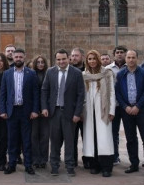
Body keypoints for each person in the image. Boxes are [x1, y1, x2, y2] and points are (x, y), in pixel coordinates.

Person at [41, 49, 84, 177]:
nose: (61, 62)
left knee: (70, 141)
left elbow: (80, 94)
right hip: (54, 112)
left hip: (70, 113)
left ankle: (70, 166)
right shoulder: (50, 72)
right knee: (54, 141)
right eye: (59, 59)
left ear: (68, 58)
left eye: (64, 59)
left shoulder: (76, 73)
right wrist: (44, 108)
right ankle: (54, 166)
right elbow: (44, 90)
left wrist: (77, 113)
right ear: (56, 60)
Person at [0, 48, 40, 175]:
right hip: (11, 111)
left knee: (26, 140)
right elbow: (3, 94)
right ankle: (11, 164)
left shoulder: (31, 73)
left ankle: (28, 165)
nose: (18, 59)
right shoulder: (7, 74)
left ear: (24, 57)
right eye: (16, 57)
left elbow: (36, 93)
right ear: (13, 57)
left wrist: (35, 110)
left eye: (20, 57)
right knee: (12, 139)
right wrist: (3, 110)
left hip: (26, 111)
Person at [116, 50, 144, 176]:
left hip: (142, 111)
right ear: (125, 59)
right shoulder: (120, 74)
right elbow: (118, 92)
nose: (131, 60)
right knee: (131, 139)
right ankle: (134, 164)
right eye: (129, 57)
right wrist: (125, 106)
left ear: (137, 58)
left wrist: (138, 106)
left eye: (133, 57)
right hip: (127, 111)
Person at [81, 50, 116, 177]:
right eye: (89, 59)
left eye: (94, 58)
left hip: (103, 110)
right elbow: (82, 95)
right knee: (91, 138)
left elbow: (111, 92)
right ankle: (94, 164)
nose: (92, 61)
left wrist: (111, 110)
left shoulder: (107, 73)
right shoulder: (84, 75)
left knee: (104, 138)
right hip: (89, 111)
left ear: (98, 59)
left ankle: (106, 167)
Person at [107, 45, 127, 165]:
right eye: (117, 52)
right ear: (114, 55)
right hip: (114, 105)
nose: (119, 54)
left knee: (130, 133)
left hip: (127, 106)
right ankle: (115, 156)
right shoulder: (108, 69)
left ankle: (133, 158)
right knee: (113, 132)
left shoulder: (130, 67)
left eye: (122, 52)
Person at [30, 55, 50, 169]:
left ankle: (43, 159)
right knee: (34, 135)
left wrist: (45, 107)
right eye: (38, 62)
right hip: (34, 110)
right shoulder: (31, 74)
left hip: (46, 110)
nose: (40, 64)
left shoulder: (49, 74)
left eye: (42, 62)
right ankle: (35, 158)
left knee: (45, 136)